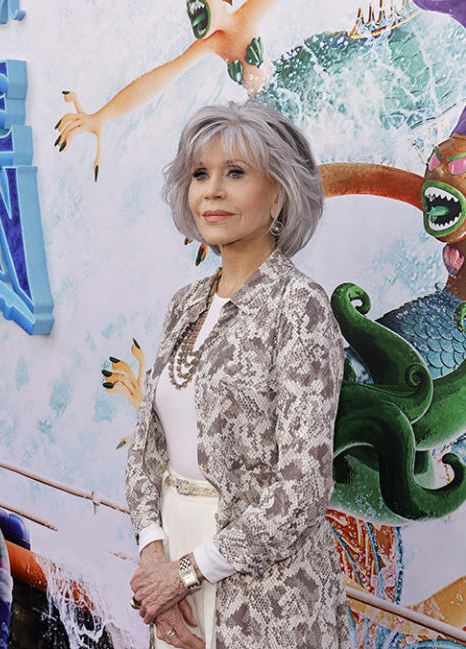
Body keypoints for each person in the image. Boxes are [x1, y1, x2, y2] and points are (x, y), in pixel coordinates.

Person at [124, 100, 350, 648]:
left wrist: (185, 572)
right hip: (171, 567)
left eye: (236, 173)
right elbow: (146, 449)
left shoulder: (300, 308)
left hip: (264, 591)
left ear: (278, 193)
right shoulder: (184, 305)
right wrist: (154, 554)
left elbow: (303, 488)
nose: (212, 191)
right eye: (200, 174)